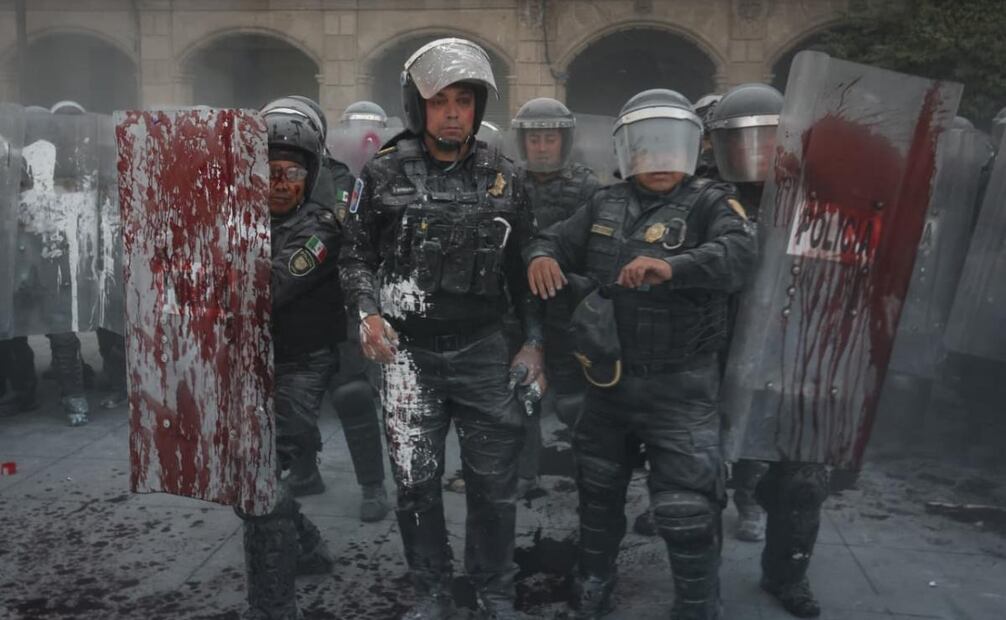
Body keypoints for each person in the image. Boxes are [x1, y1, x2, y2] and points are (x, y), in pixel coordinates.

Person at [525, 88, 756, 620]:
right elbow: (551, 239)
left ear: (690, 148)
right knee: (597, 491)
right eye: (647, 147)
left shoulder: (711, 202)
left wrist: (674, 267)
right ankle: (594, 580)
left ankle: (697, 604)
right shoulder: (605, 203)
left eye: (670, 147)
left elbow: (740, 254)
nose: (659, 160)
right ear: (629, 150)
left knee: (687, 509)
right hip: (608, 384)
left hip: (682, 387)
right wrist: (541, 255)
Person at [339, 37, 544, 620]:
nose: (453, 113)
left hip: (484, 352)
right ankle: (430, 591)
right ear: (417, 106)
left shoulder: (506, 178)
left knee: (493, 486)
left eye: (464, 100)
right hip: (407, 357)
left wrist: (535, 344)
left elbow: (526, 270)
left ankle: (494, 589)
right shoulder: (382, 174)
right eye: (439, 101)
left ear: (478, 107)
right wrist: (367, 312)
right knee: (416, 487)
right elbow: (355, 255)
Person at [705, 82, 824, 618]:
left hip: (789, 357)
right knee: (696, 477)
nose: (757, 150)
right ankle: (696, 582)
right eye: (742, 139)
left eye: (769, 137)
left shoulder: (818, 200)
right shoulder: (700, 197)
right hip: (712, 356)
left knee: (802, 482)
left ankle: (786, 574)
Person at [238, 100, 344, 619]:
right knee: (245, 480)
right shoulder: (240, 218)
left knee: (259, 482)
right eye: (269, 171)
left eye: (292, 173)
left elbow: (274, 284)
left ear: (310, 175)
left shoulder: (321, 228)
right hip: (246, 360)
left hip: (301, 365)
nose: (279, 184)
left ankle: (274, 608)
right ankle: (305, 545)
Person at [262, 97, 389, 522]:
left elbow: (337, 237)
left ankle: (372, 484)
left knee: (351, 393)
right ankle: (305, 472)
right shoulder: (250, 175)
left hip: (334, 304)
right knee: (282, 396)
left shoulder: (340, 182)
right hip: (281, 314)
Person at [510, 97, 600, 494]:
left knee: (574, 398)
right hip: (517, 303)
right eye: (535, 140)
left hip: (569, 303)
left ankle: (590, 474)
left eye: (550, 139)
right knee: (522, 390)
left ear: (564, 141)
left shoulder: (588, 186)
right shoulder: (508, 184)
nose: (542, 147)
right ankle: (525, 474)